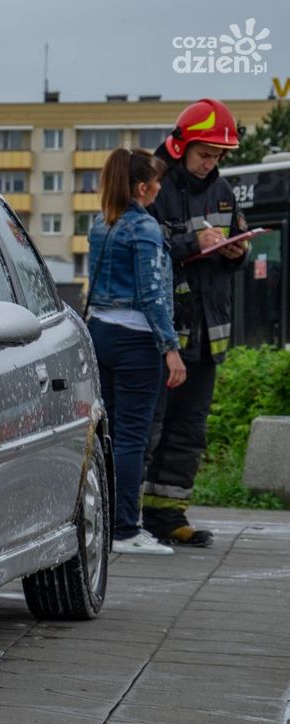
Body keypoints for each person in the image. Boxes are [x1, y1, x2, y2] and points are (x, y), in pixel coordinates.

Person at [142, 98, 248, 547]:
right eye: (205, 153)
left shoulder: (223, 191)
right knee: (150, 427)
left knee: (189, 428)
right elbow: (143, 247)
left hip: (208, 333)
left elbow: (238, 237)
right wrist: (192, 241)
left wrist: (236, 253)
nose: (211, 163)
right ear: (181, 144)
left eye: (218, 156)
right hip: (164, 333)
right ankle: (125, 515)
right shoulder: (153, 185)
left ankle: (168, 516)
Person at [86, 148, 186, 555]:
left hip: (101, 333)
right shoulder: (144, 230)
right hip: (135, 341)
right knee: (131, 437)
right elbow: (152, 294)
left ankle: (105, 522)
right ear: (142, 187)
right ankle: (126, 529)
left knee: (107, 435)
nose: (161, 187)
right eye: (156, 181)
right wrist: (171, 348)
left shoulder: (99, 224)